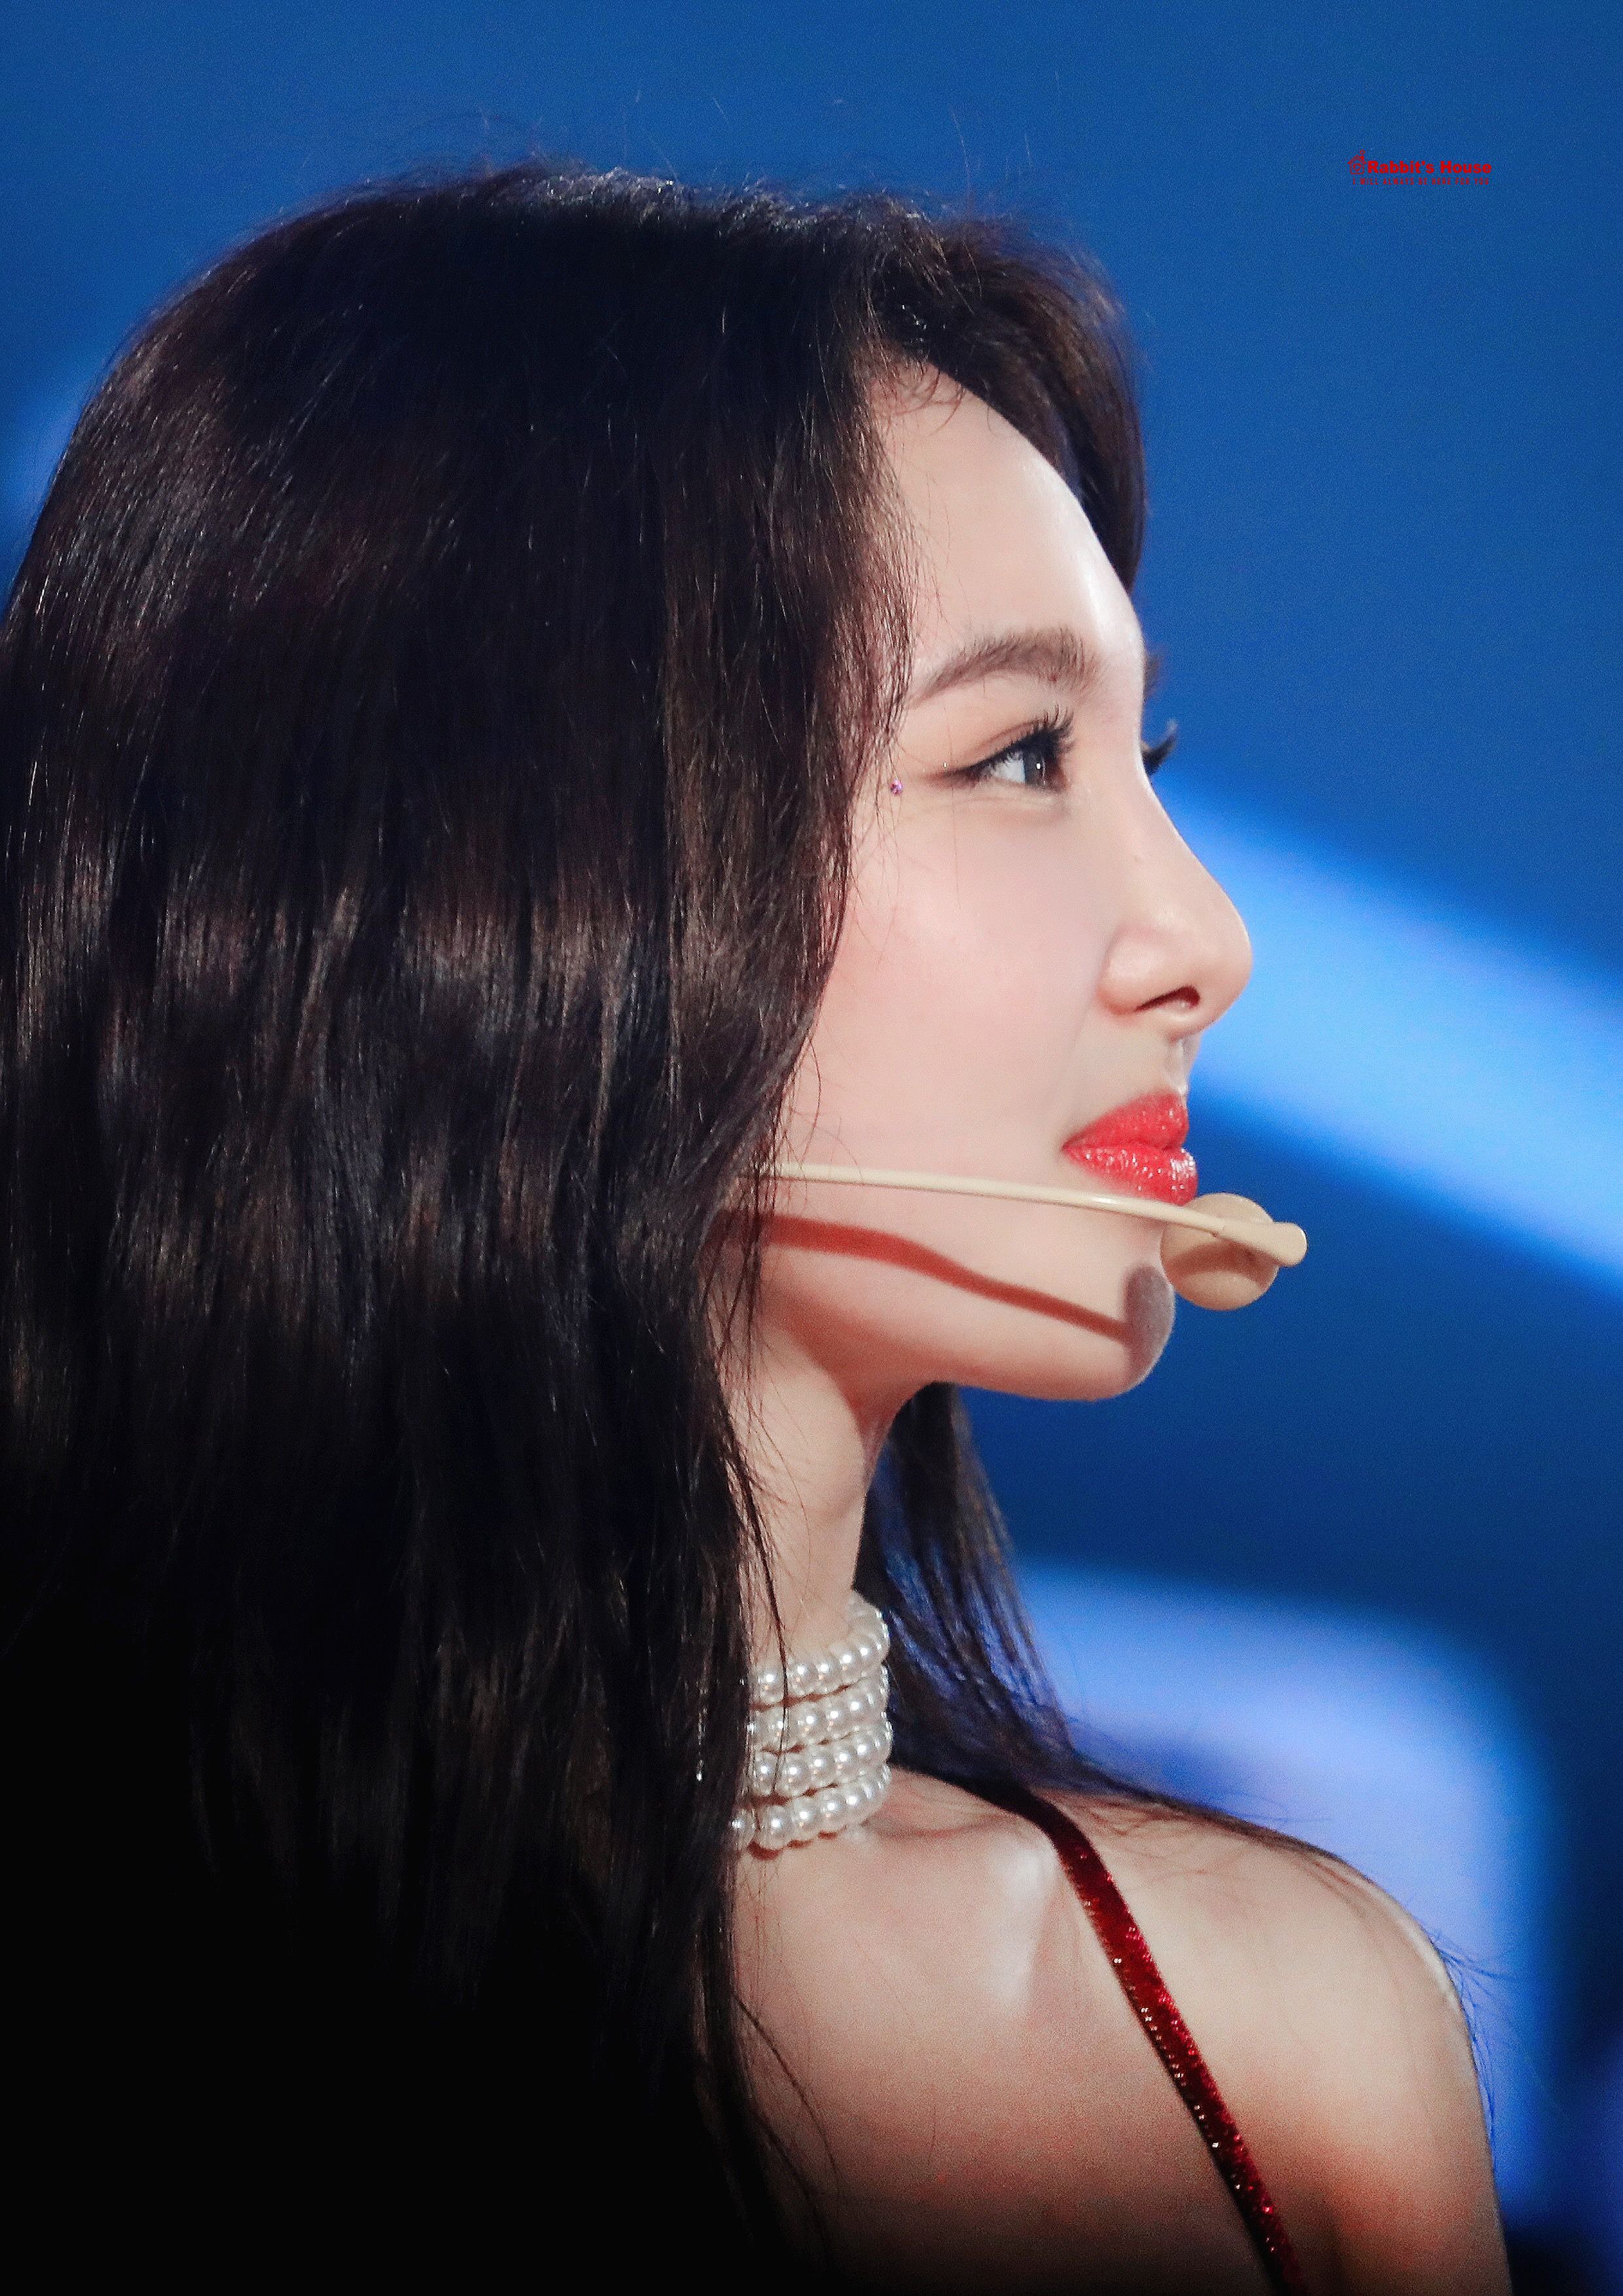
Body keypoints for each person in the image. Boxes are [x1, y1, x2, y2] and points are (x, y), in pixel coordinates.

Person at [0, 162, 1507, 2290]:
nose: (1207, 939)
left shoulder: (1284, 2040)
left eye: (1145, 754)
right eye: (1018, 757)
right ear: (523, 891)